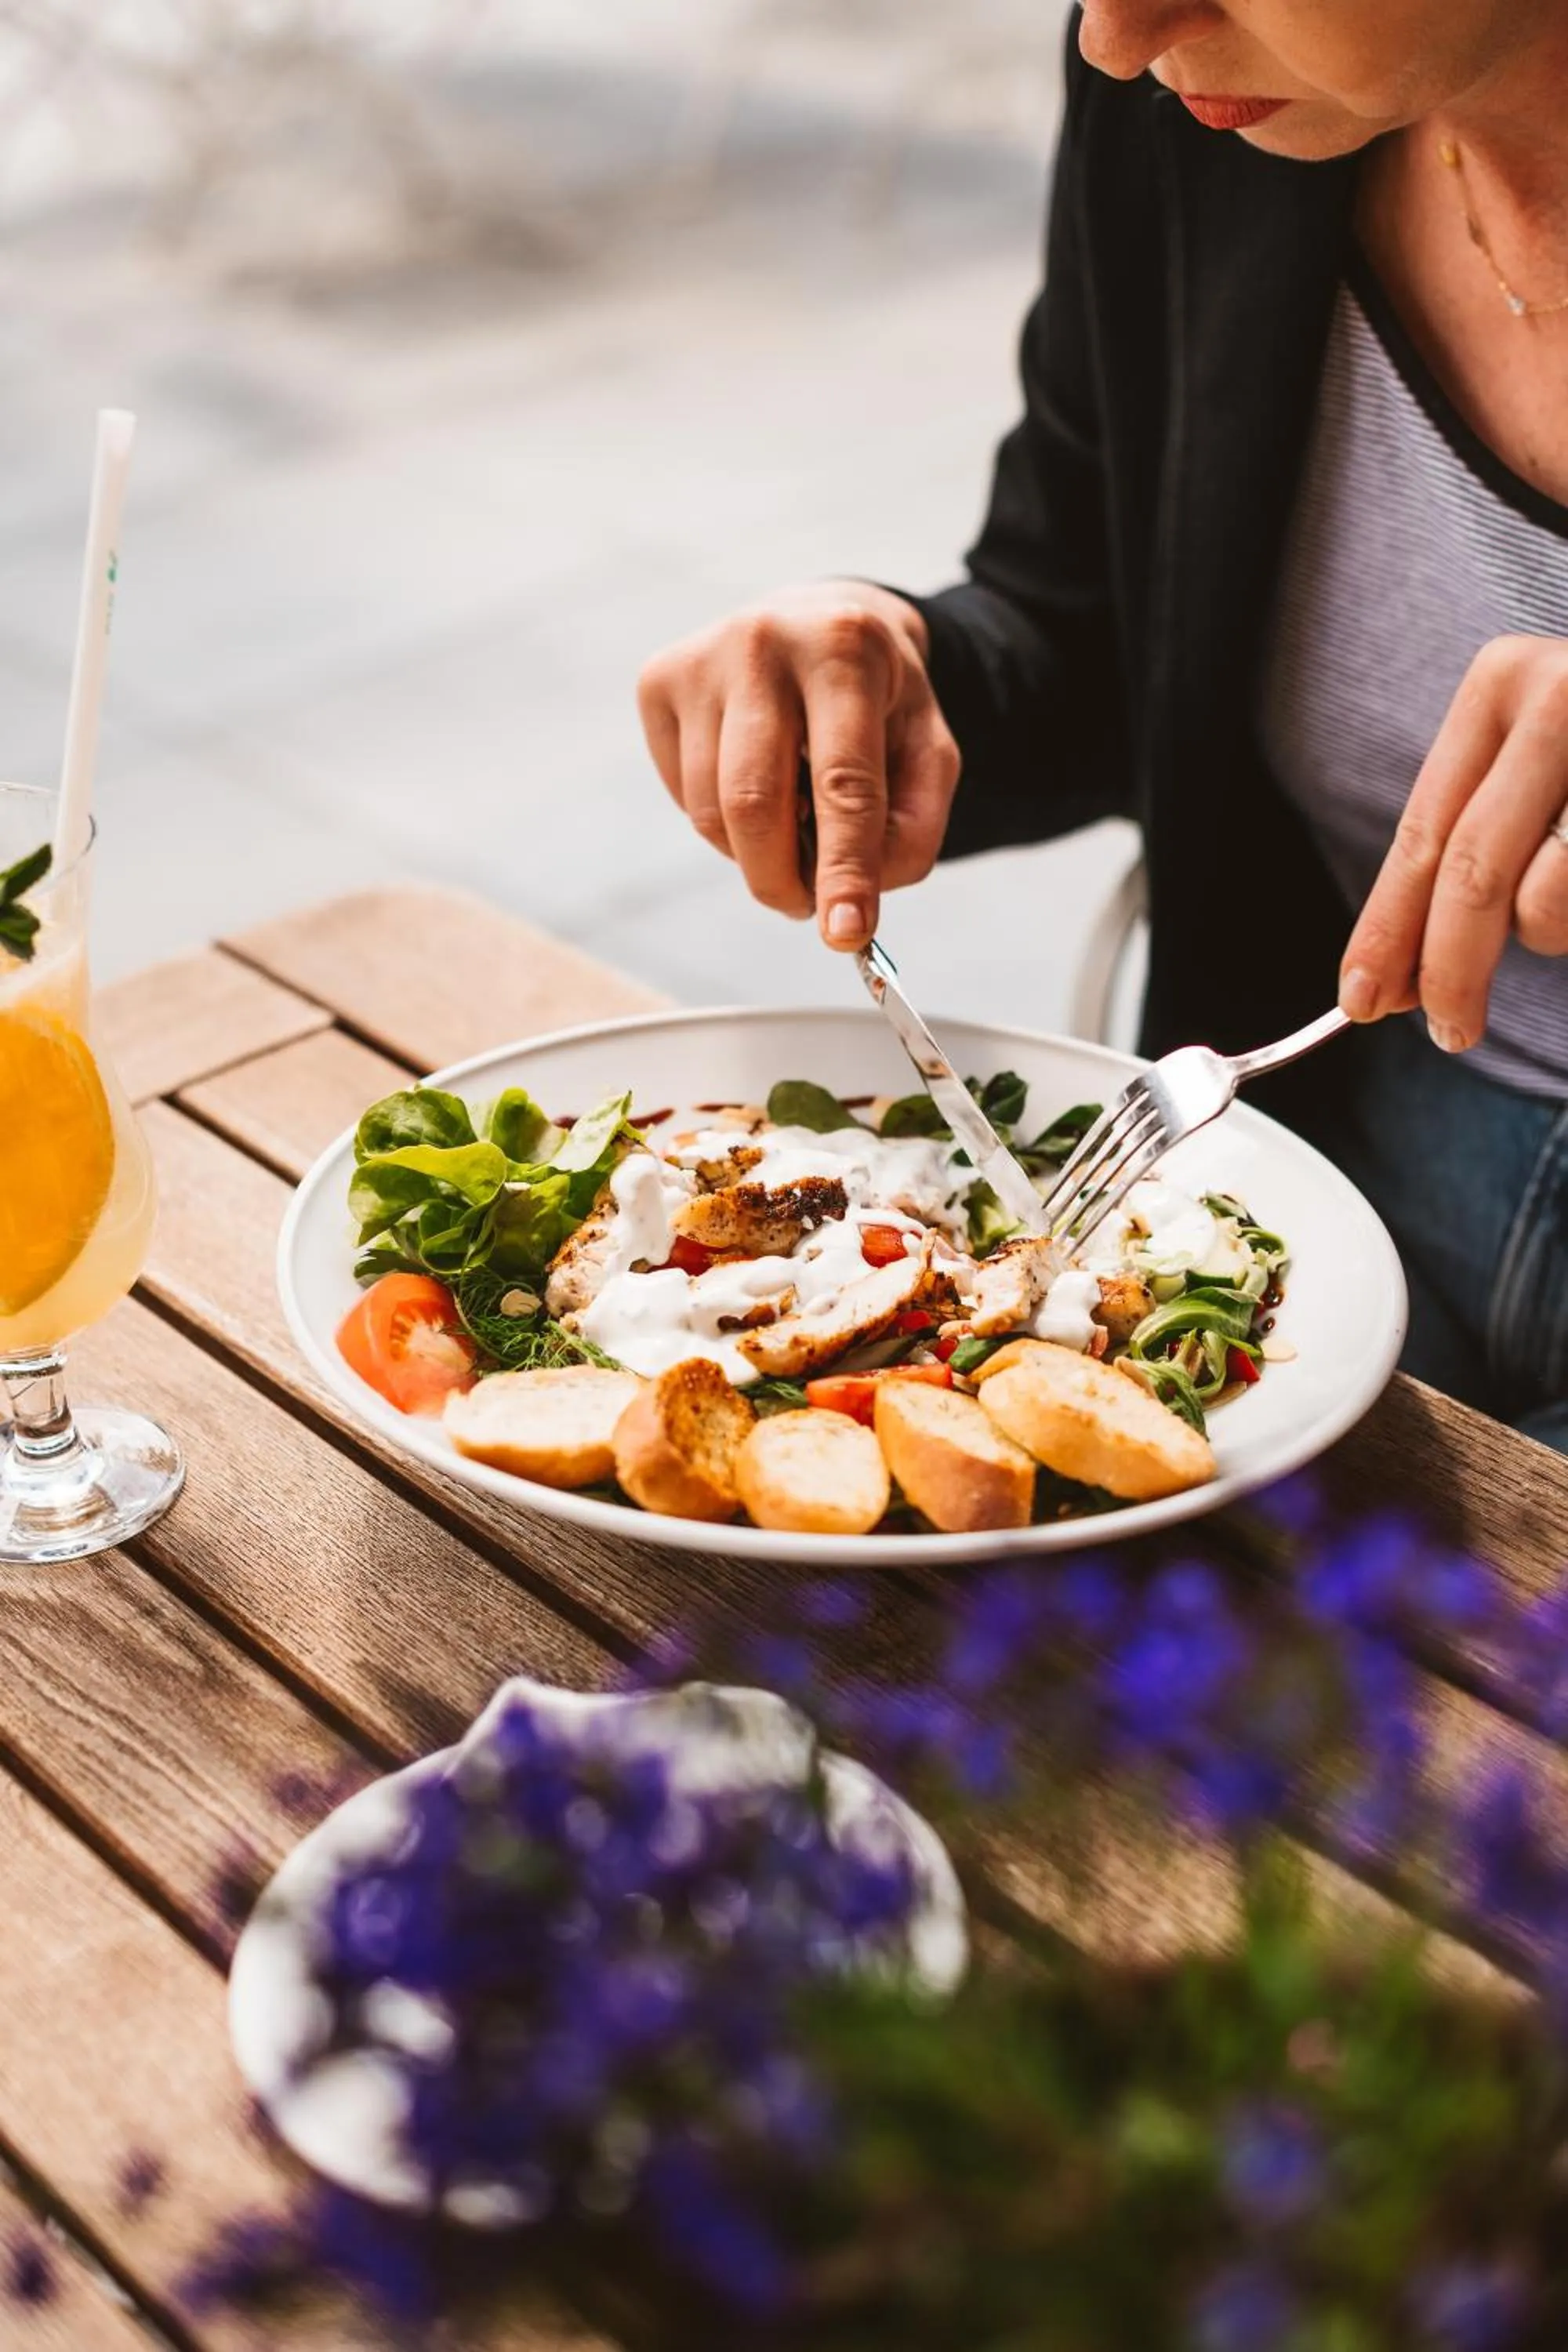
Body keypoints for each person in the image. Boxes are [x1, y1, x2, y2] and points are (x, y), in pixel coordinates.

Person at [635, 0, 1568, 1452]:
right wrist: (901, 668)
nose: (1114, 37)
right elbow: (1095, 622)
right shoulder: (1205, 116)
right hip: (1325, 1166)